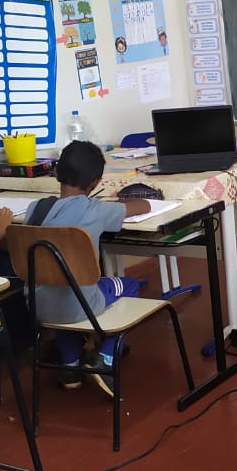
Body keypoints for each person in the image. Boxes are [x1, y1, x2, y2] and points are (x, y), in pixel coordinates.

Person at [26, 141, 148, 386]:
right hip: (82, 306)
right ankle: (105, 358)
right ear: (96, 182)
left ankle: (70, 368)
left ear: (56, 172)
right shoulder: (96, 210)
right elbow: (141, 206)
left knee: (60, 286)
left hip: (38, 306)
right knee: (131, 285)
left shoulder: (35, 209)